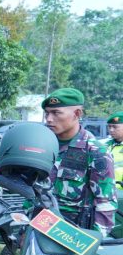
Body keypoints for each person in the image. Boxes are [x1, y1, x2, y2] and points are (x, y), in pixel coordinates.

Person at [42, 89, 116, 236]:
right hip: (41, 225)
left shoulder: (95, 151)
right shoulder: (42, 144)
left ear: (76, 114)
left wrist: (93, 241)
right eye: (47, 113)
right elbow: (33, 188)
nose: (49, 119)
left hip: (74, 234)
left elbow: (105, 203)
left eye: (56, 113)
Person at [108, 112, 123, 192]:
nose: (111, 130)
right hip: (105, 193)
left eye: (115, 127)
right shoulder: (103, 145)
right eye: (109, 127)